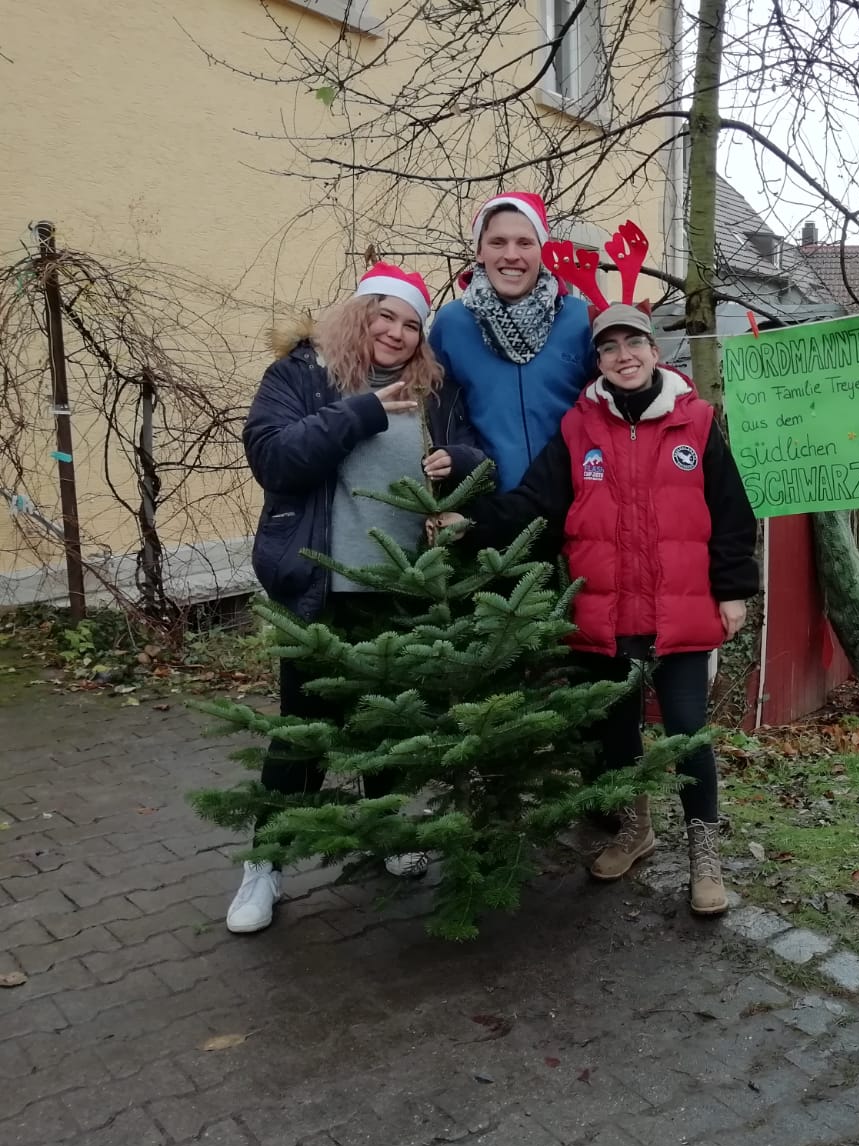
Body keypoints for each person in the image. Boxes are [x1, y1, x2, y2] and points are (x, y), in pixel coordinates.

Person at [431, 303, 759, 916]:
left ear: (655, 352)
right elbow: (534, 505)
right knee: (617, 733)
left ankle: (704, 856)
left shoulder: (697, 423)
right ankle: (637, 830)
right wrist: (468, 523)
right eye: (609, 348)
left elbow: (731, 514)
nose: (623, 355)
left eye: (634, 342)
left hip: (680, 610)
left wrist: (733, 589)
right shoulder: (579, 429)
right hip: (605, 613)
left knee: (688, 734)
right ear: (599, 362)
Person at [231, 263, 486, 934]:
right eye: (387, 317)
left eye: (411, 324)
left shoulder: (434, 388)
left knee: (391, 724)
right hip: (320, 588)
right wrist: (361, 412)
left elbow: (472, 449)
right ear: (360, 315)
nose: (398, 333)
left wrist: (456, 466)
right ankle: (267, 865)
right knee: (301, 735)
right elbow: (274, 457)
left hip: (400, 588)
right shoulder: (304, 375)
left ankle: (388, 833)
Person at [428, 191, 595, 493]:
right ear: (479, 252)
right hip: (487, 510)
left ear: (542, 250)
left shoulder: (581, 320)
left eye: (525, 243)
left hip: (575, 507)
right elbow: (440, 415)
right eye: (497, 242)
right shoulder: (451, 324)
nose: (511, 255)